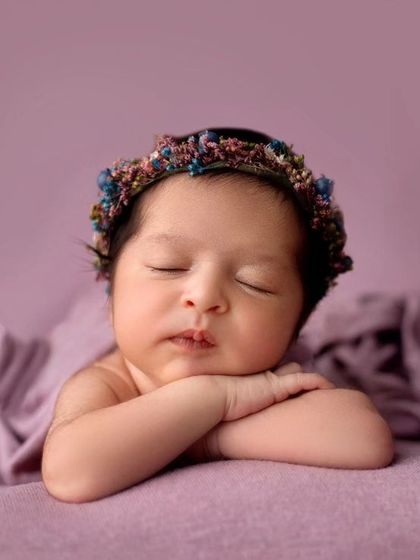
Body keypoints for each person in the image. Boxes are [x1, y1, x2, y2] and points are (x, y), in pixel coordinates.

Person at [41, 127, 394, 503]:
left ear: (297, 326)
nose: (205, 297)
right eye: (169, 267)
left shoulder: (273, 379)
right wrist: (216, 401)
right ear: (111, 293)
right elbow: (70, 471)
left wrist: (201, 436)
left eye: (253, 283)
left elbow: (364, 438)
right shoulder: (109, 380)